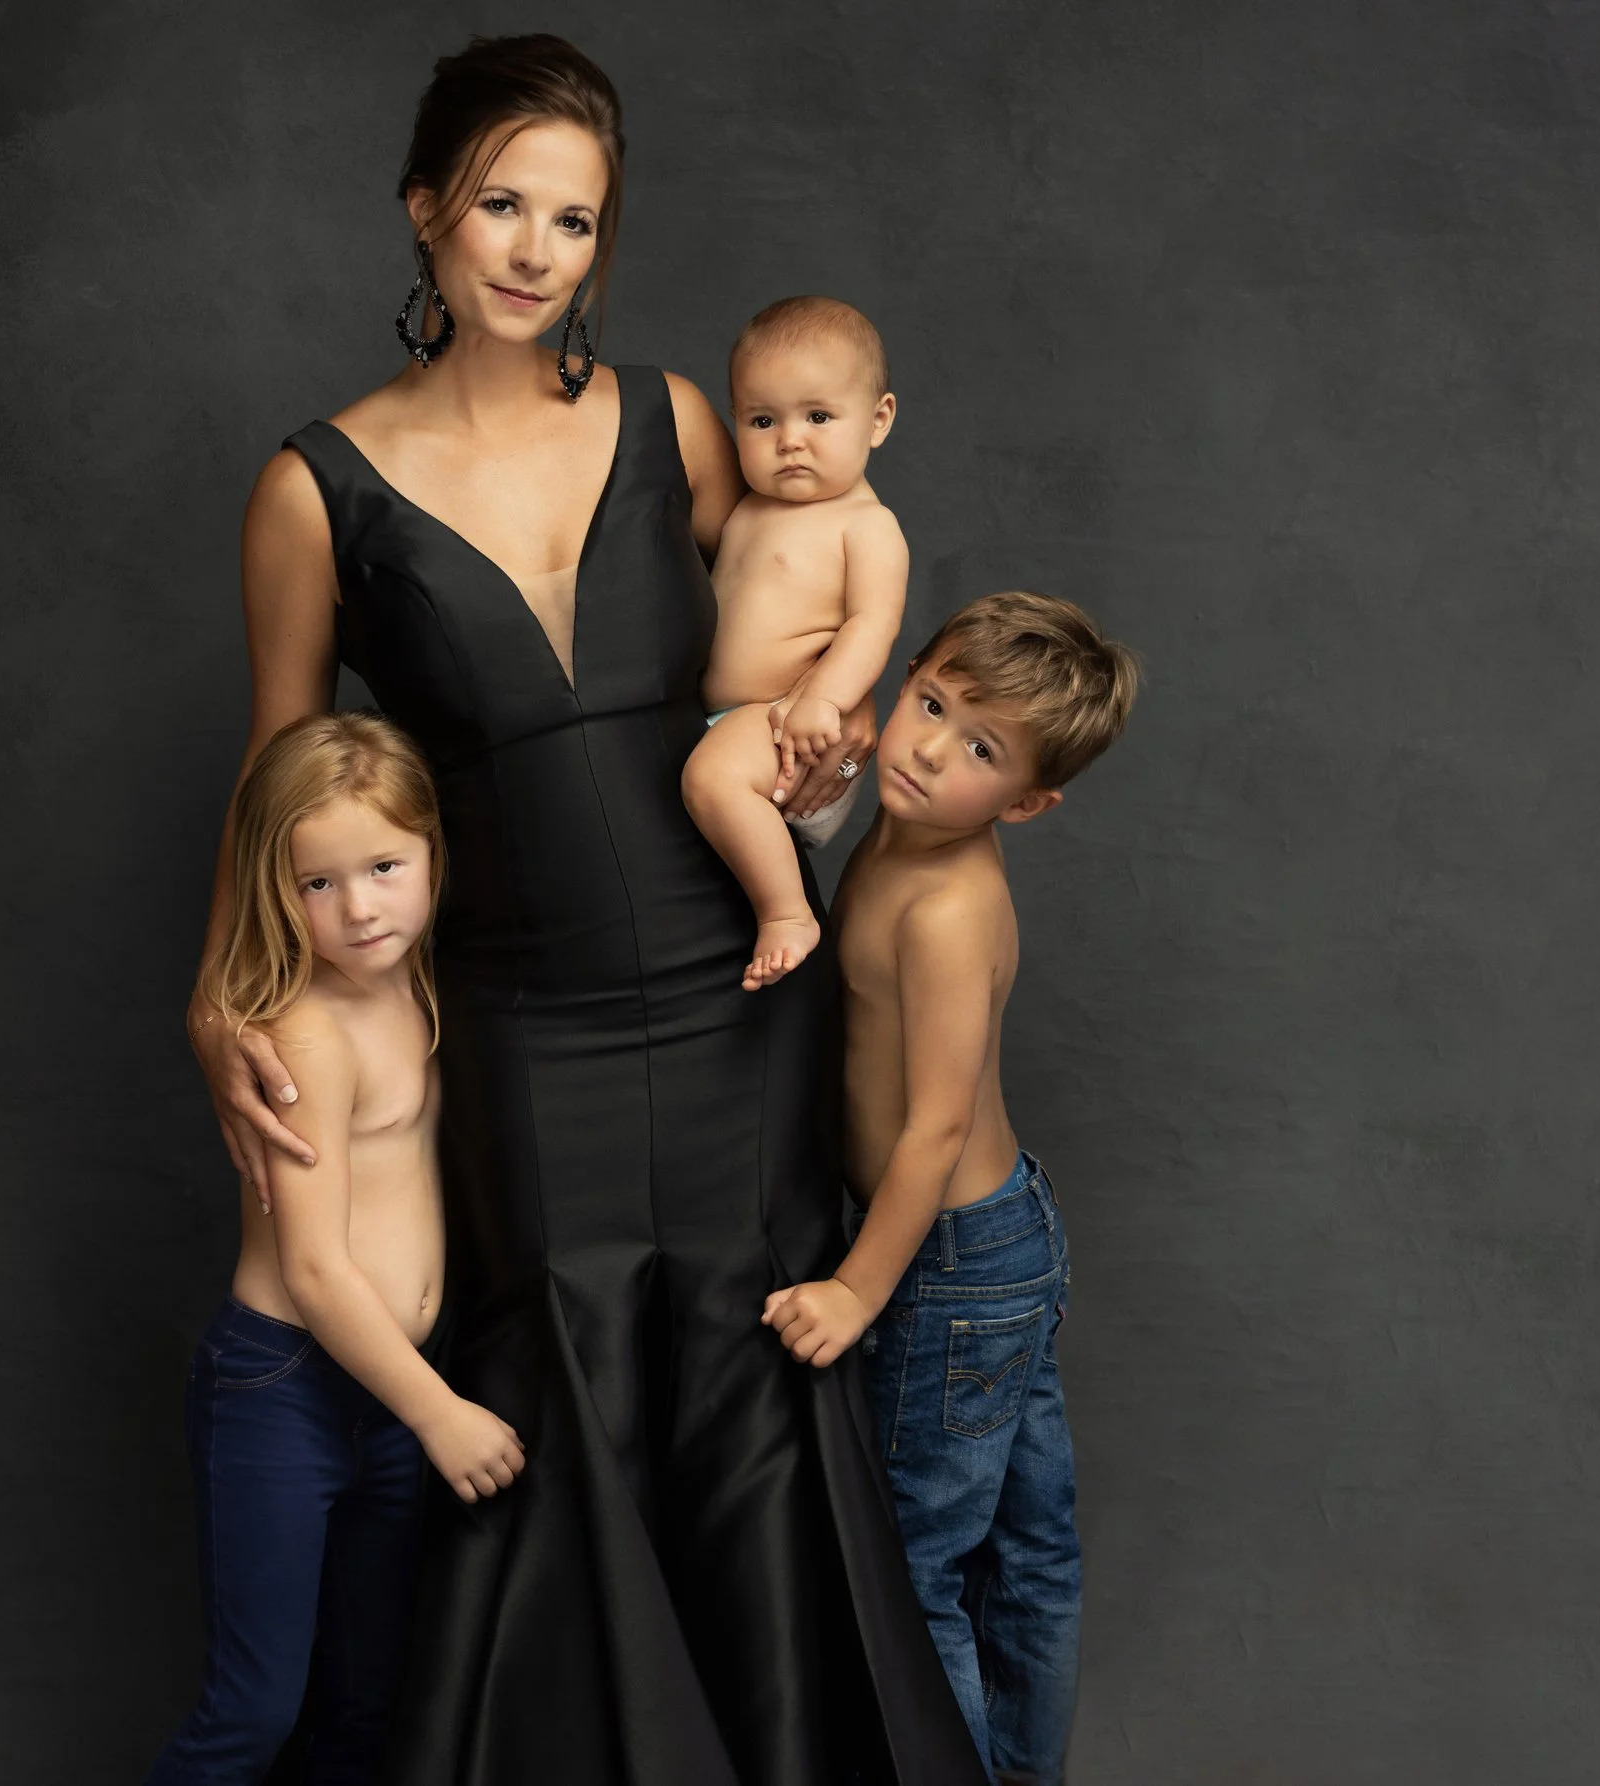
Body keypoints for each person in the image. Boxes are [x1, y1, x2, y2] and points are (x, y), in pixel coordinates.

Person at [185, 32, 983, 1786]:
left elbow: (765, 669)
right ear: (424, 211)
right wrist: (214, 996)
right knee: (553, 1392)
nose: (537, 250)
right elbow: (279, 772)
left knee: (750, 1394)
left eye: (575, 219)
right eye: (500, 204)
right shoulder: (315, 488)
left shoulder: (676, 423)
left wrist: (827, 762)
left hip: (731, 991)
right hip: (517, 1018)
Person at [760, 592, 1141, 1785]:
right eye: (930, 703)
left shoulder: (948, 905)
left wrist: (861, 1292)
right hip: (1000, 1245)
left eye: (981, 748)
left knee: (916, 1567)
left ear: (1026, 803)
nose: (928, 748)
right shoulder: (893, 831)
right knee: (1031, 1554)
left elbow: (929, 1129)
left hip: (951, 1266)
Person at [147, 712, 525, 1785]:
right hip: (288, 1390)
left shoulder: (423, 983)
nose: (358, 906)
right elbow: (313, 1268)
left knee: (367, 1704)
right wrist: (437, 1409)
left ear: (433, 857)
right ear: (276, 889)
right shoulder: (309, 1032)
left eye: (384, 866)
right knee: (255, 1710)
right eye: (318, 884)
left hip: (391, 1391)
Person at [682, 297, 907, 990]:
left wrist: (825, 701)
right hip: (731, 724)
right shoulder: (747, 508)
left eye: (817, 416)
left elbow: (873, 624)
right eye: (761, 420)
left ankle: (787, 915)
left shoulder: (866, 527)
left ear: (877, 421)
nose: (789, 440)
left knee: (709, 780)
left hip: (792, 729)